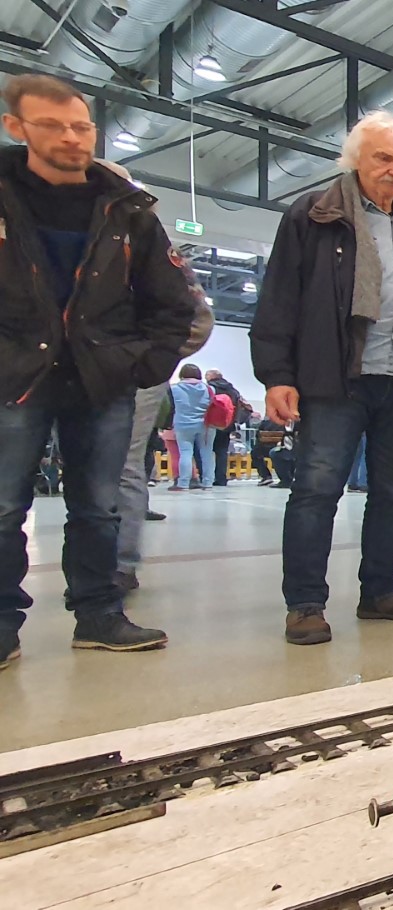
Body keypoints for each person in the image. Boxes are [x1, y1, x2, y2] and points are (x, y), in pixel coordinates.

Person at [0, 73, 198, 662]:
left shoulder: (126, 207)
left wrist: (140, 364)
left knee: (99, 505)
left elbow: (173, 300)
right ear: (17, 127)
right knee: (6, 506)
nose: (72, 138)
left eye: (81, 126)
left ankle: (99, 614)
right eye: (53, 126)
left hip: (101, 378)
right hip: (16, 378)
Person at [253, 110, 393, 645]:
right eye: (384, 158)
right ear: (355, 161)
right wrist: (277, 373)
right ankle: (305, 603)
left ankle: (380, 592)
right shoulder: (314, 215)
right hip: (336, 378)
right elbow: (280, 296)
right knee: (316, 490)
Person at [113, 242, 212, 592]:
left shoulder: (146, 238)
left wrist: (151, 360)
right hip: (64, 366)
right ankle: (91, 567)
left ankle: (119, 566)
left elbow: (199, 316)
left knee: (124, 463)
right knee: (89, 469)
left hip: (134, 372)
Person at [167, 364, 216, 491]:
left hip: (183, 424)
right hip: (206, 425)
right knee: (207, 454)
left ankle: (183, 483)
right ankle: (208, 482)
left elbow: (170, 406)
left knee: (185, 453)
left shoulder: (174, 389)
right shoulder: (209, 388)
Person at [205, 369, 249, 486]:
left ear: (211, 377)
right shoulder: (233, 390)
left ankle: (206, 478)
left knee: (207, 451)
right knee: (222, 451)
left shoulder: (209, 388)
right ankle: (221, 478)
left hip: (212, 424)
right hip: (227, 424)